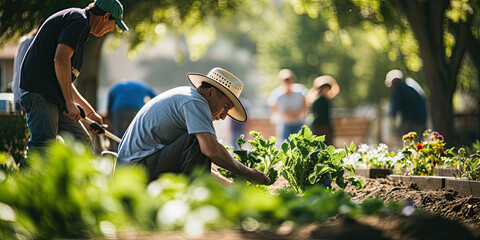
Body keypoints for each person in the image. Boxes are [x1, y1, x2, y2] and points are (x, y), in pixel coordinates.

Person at [116, 67, 271, 185]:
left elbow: (194, 161)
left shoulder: (188, 96)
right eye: (225, 106)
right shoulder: (195, 101)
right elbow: (209, 149)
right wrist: (248, 173)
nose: (224, 116)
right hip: (134, 174)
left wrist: (229, 186)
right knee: (201, 141)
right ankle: (194, 201)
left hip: (135, 170)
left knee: (200, 140)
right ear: (210, 93)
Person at [19, 0, 128, 158]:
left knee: (82, 141)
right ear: (105, 16)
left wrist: (90, 113)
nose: (112, 29)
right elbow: (61, 59)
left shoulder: (81, 28)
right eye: (114, 24)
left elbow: (65, 78)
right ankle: (26, 181)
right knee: (43, 148)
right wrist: (69, 103)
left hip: (52, 95)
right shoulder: (78, 21)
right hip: (39, 92)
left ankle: (83, 182)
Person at [107, 80, 157, 148]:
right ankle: (136, 152)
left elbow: (109, 105)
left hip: (119, 110)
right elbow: (157, 99)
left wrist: (110, 116)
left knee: (119, 133)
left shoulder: (116, 86)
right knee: (136, 133)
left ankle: (119, 153)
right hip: (136, 110)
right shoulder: (143, 86)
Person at [267, 69, 308, 141]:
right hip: (285, 124)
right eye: (285, 80)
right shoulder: (277, 94)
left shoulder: (300, 91)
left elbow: (305, 107)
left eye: (289, 79)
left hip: (299, 123)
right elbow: (273, 111)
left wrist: (292, 114)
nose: (287, 82)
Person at [385, 69, 427, 136]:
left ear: (394, 82)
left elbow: (394, 110)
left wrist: (391, 124)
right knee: (418, 143)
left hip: (412, 121)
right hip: (423, 119)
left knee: (401, 136)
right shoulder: (410, 82)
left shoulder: (398, 89)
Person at [305, 75, 340, 146]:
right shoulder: (323, 100)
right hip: (322, 128)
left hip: (316, 127)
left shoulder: (316, 100)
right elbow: (324, 117)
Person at [12, 31, 37, 110]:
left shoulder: (26, 42)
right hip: (24, 95)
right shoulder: (32, 43)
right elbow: (22, 71)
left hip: (20, 94)